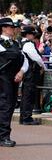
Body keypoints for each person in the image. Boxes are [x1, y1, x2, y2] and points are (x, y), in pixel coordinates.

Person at [0, 17, 29, 147]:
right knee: (5, 106)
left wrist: (21, 72)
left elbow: (25, 60)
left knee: (10, 106)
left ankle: (4, 135)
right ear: (4, 28)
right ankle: (3, 136)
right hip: (2, 78)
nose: (13, 29)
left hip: (13, 79)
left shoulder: (16, 44)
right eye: (11, 27)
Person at [20, 26, 46, 125]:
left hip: (27, 71)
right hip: (31, 71)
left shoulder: (23, 43)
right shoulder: (28, 44)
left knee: (26, 94)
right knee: (29, 95)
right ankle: (27, 117)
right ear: (28, 34)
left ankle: (24, 117)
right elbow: (36, 58)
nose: (33, 36)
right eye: (32, 34)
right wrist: (43, 66)